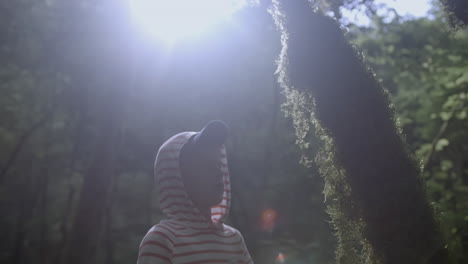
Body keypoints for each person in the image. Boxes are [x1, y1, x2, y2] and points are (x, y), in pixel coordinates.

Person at [137, 120, 253, 264]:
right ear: (175, 178)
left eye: (219, 164)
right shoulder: (162, 239)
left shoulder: (233, 239)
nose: (218, 172)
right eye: (205, 165)